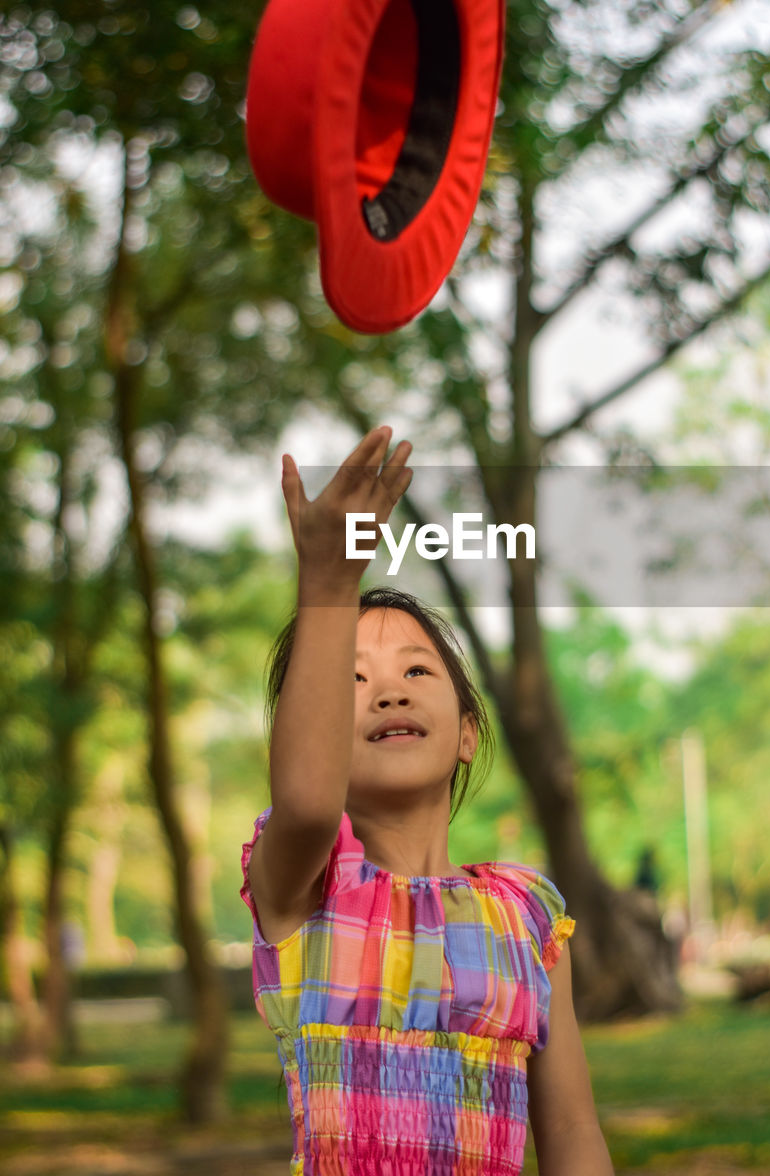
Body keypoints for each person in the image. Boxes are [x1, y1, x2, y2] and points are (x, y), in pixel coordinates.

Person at [241, 426, 614, 1176]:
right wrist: (328, 583)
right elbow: (310, 805)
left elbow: (571, 1128)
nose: (388, 689)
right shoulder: (304, 887)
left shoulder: (529, 912)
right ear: (306, 730)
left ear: (468, 732)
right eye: (349, 680)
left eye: (417, 670)